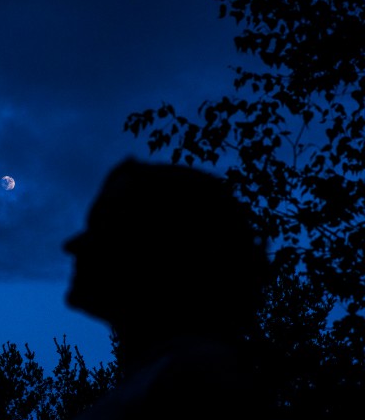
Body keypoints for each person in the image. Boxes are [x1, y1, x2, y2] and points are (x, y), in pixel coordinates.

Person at [63, 158, 274, 419]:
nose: (72, 245)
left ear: (163, 249)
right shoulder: (168, 378)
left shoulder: (199, 382)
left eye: (104, 228)